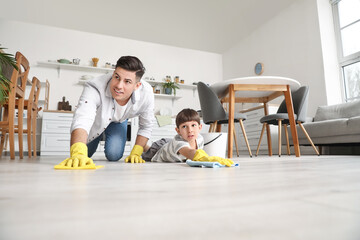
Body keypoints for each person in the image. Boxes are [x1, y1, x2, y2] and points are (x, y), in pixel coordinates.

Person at [56, 56, 154, 168]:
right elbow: (82, 117)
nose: (119, 86)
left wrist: (137, 151)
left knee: (114, 155)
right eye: (117, 77)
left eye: (127, 81)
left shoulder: (146, 94)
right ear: (113, 74)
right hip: (95, 121)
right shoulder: (94, 87)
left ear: (137, 86)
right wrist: (77, 151)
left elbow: (146, 126)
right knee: (85, 154)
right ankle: (97, 135)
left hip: (118, 121)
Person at [141, 108, 234, 167]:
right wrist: (209, 159)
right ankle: (145, 146)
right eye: (184, 126)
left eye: (193, 125)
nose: (190, 130)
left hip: (170, 145)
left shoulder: (200, 138)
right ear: (178, 131)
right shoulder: (179, 142)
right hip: (159, 150)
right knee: (147, 154)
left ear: (200, 127)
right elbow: (189, 152)